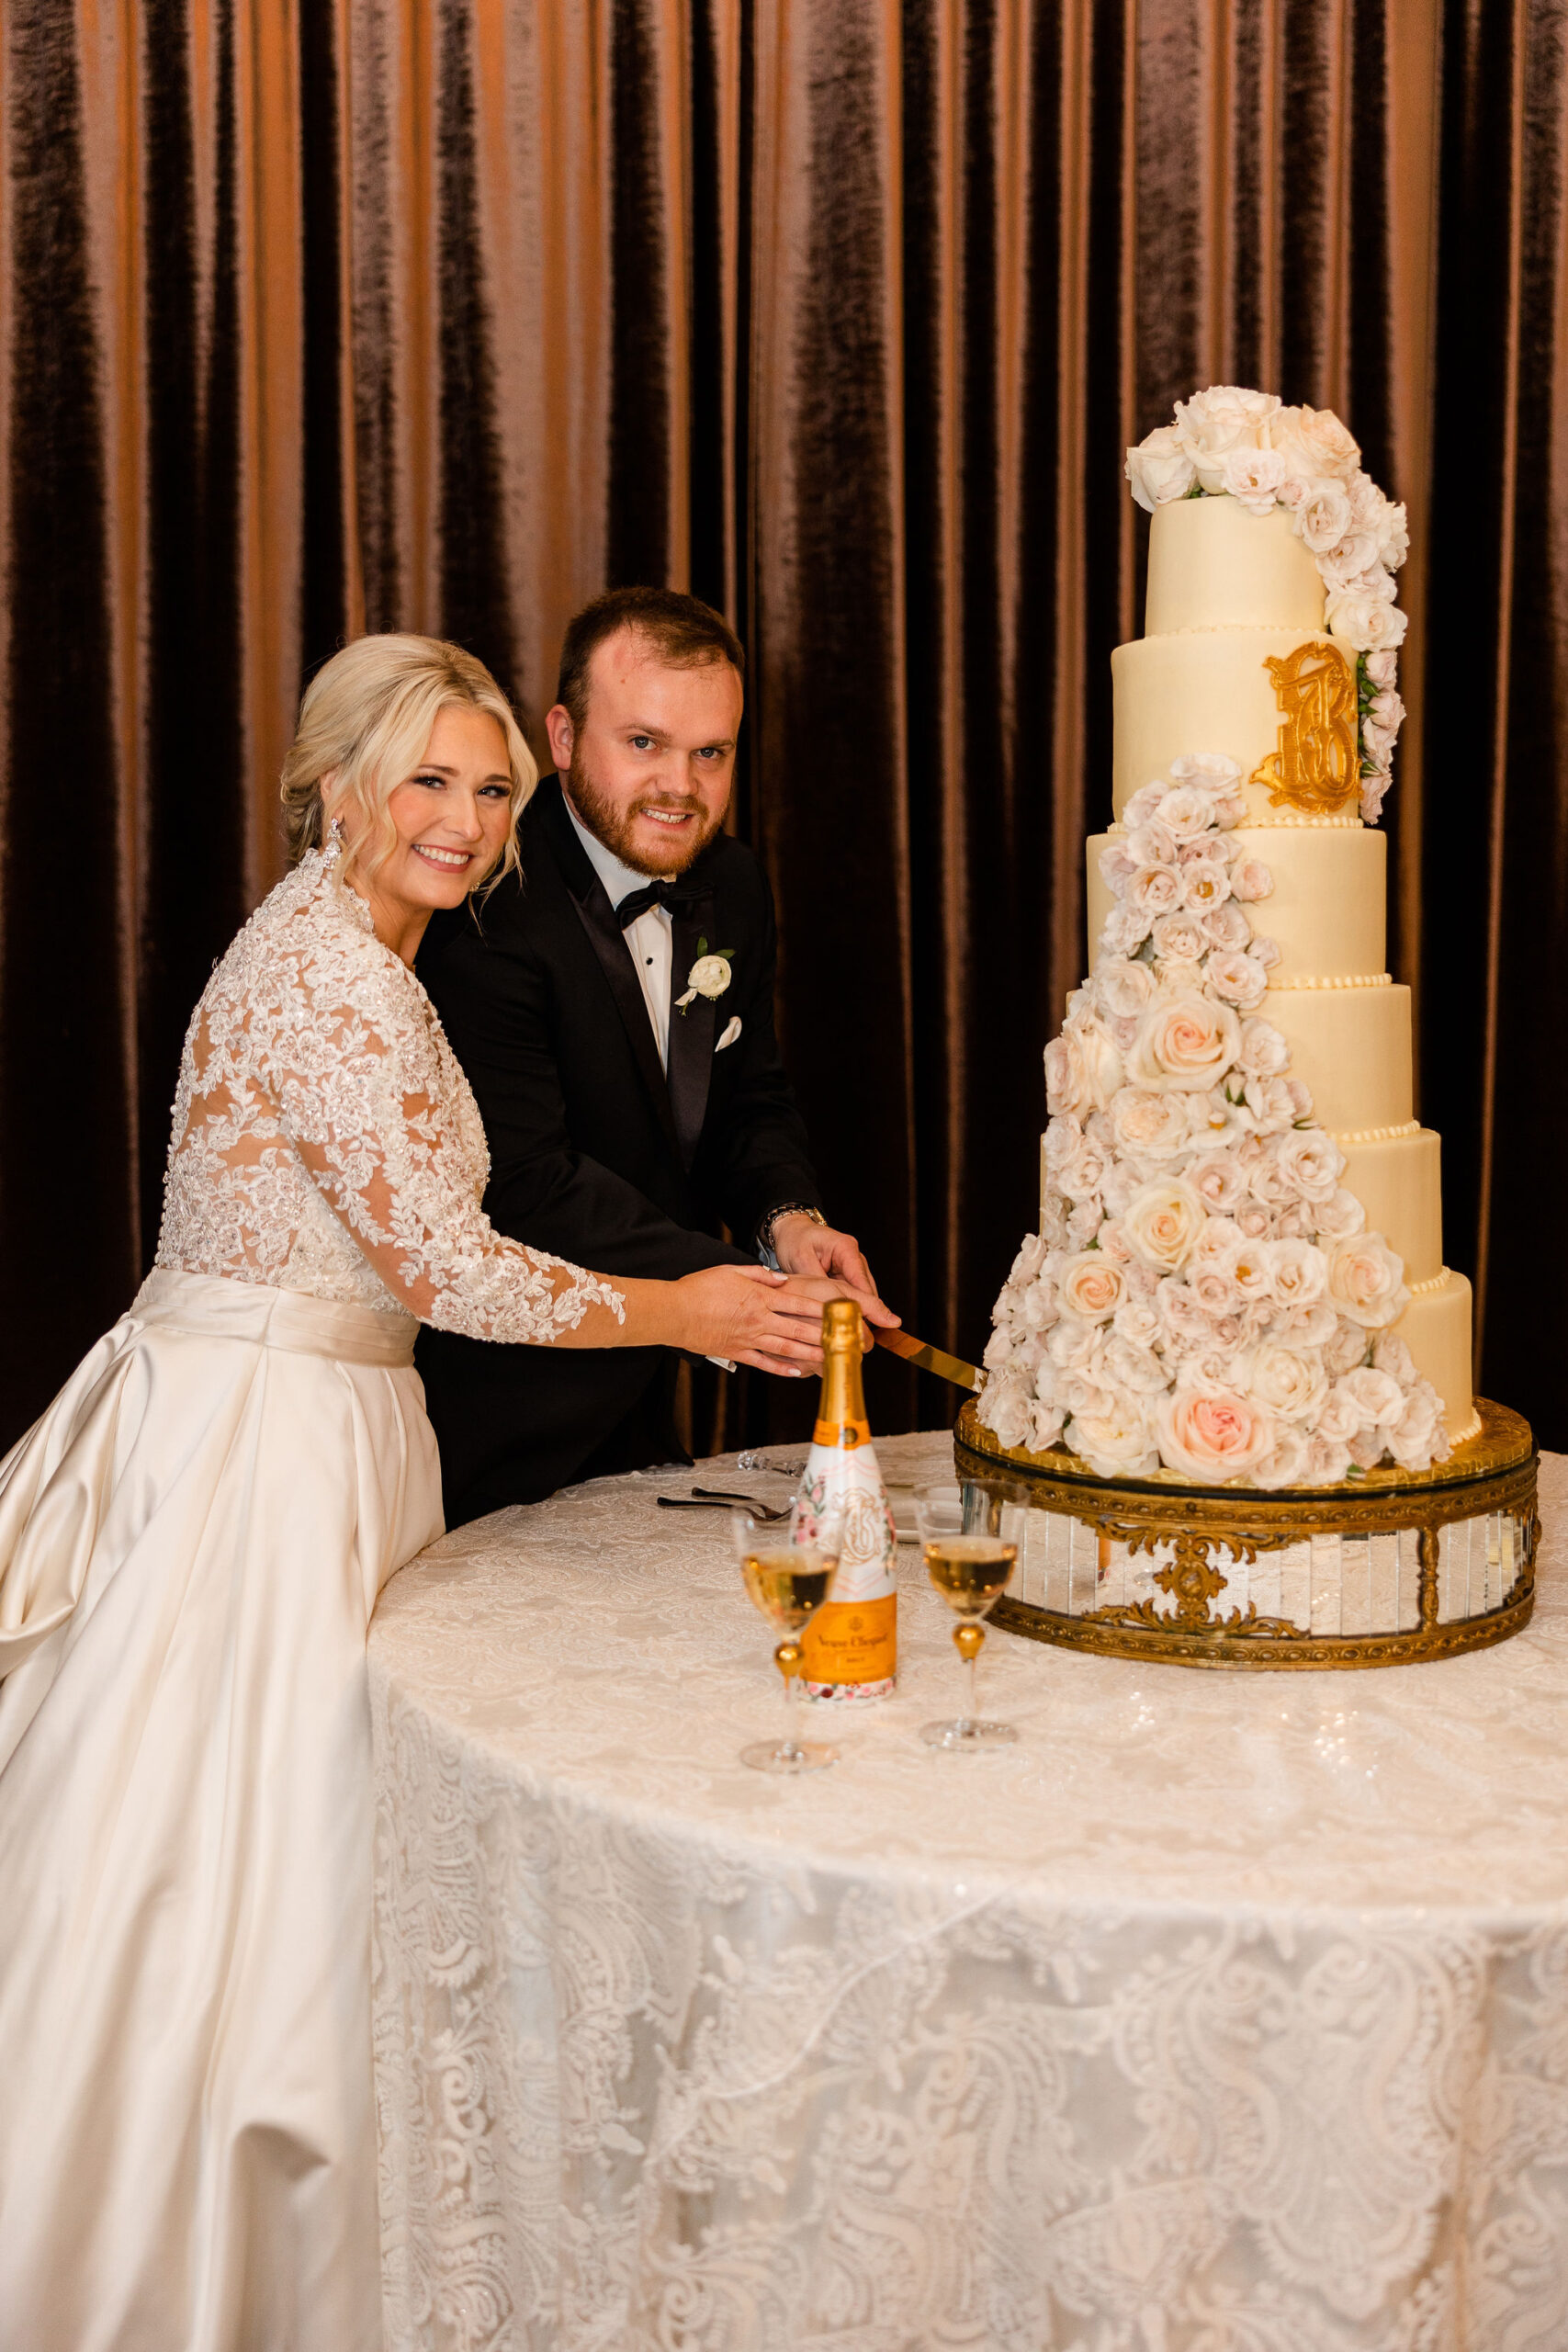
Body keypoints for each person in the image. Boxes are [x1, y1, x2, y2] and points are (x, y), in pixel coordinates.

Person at [0, 635, 851, 2352]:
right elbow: (446, 1265)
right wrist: (684, 1311)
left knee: (318, 1853)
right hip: (251, 1451)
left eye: (485, 789)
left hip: (343, 1423)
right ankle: (167, 2252)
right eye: (425, 782)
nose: (461, 823)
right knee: (222, 1860)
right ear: (333, 790)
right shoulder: (320, 973)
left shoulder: (397, 958)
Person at [416, 587, 896, 1524]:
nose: (682, 785)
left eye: (710, 753)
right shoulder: (481, 896)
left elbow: (747, 1097)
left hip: (641, 1411)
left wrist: (788, 1222)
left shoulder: (736, 884)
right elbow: (523, 1178)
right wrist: (756, 1297)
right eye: (644, 744)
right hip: (489, 1414)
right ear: (561, 737)